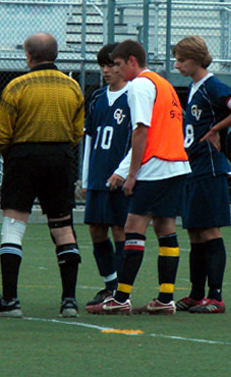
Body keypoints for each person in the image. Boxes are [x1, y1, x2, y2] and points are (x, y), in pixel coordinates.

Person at [0, 33, 85, 319]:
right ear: (56, 54)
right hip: (60, 158)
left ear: (28, 55)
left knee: (13, 226)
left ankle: (10, 300)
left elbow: (1, 132)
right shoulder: (72, 86)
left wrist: (11, 154)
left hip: (24, 158)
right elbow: (77, 131)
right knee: (63, 227)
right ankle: (69, 301)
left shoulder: (17, 86)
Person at [89, 39, 190, 315]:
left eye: (119, 64)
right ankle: (165, 299)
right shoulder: (163, 83)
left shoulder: (139, 86)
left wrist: (129, 174)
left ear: (132, 61)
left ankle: (120, 298)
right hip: (177, 164)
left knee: (133, 228)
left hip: (155, 167)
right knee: (165, 229)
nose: (117, 70)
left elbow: (141, 131)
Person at [173, 36, 231, 314]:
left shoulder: (212, 86)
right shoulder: (195, 87)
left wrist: (217, 128)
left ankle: (215, 296)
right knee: (194, 232)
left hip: (209, 168)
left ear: (195, 59)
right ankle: (196, 294)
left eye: (181, 59)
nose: (177, 64)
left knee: (208, 230)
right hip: (193, 168)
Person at [81, 43, 131, 313]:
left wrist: (124, 172)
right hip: (99, 176)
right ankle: (110, 284)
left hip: (121, 177)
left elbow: (139, 139)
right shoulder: (98, 97)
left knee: (120, 228)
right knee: (95, 229)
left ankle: (122, 291)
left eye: (112, 64)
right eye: (103, 65)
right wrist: (86, 179)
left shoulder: (134, 95)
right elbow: (89, 139)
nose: (107, 70)